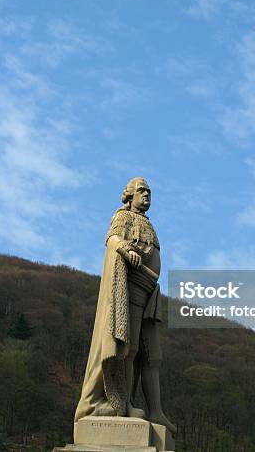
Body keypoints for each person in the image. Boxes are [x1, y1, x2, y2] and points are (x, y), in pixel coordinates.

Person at [74, 177, 176, 434]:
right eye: (142, 191)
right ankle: (124, 404)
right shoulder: (122, 216)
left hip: (150, 292)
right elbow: (111, 240)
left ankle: (156, 410)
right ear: (129, 195)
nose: (147, 195)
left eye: (149, 192)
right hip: (131, 288)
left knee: (152, 355)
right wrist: (123, 249)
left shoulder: (149, 224)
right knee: (127, 348)